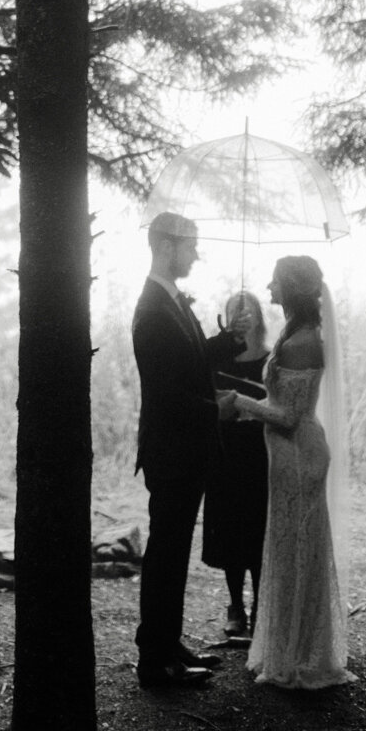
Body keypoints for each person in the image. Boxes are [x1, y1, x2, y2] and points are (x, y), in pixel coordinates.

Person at [225, 254, 352, 689]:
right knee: (289, 549)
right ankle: (294, 647)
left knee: (297, 550)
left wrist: (237, 403)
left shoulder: (302, 341)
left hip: (300, 456)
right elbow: (279, 400)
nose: (269, 288)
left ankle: (301, 654)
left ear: (292, 288)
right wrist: (247, 397)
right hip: (287, 458)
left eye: (276, 282)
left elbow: (290, 416)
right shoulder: (295, 333)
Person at [131, 211, 241, 689]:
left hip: (183, 450)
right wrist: (214, 411)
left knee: (172, 552)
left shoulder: (169, 301)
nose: (196, 253)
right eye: (191, 245)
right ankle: (155, 660)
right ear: (166, 245)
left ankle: (167, 643)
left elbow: (187, 363)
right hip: (172, 451)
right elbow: (167, 393)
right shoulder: (152, 308)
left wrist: (225, 342)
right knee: (166, 554)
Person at [202, 289, 270, 641]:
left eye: (248, 311)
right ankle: (234, 607)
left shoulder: (271, 360)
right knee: (229, 528)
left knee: (257, 528)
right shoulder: (217, 359)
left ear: (259, 315)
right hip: (226, 449)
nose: (243, 316)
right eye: (235, 311)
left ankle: (261, 606)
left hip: (259, 451)